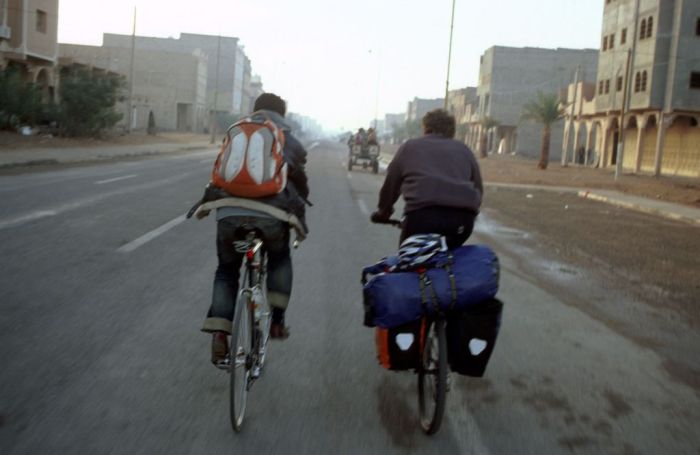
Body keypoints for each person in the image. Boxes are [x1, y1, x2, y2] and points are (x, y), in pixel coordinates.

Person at [196, 93, 310, 365]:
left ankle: (220, 334)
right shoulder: (289, 139)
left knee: (226, 270)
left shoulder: (237, 132)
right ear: (284, 113)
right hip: (270, 217)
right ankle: (278, 322)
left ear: (255, 110)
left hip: (229, 213)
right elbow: (300, 182)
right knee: (280, 257)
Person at [370, 109, 483, 248]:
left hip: (421, 217)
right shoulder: (464, 150)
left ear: (426, 127)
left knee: (409, 263)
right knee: (453, 261)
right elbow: (478, 187)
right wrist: (470, 213)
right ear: (452, 131)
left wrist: (384, 212)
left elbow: (391, 184)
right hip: (462, 222)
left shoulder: (410, 147)